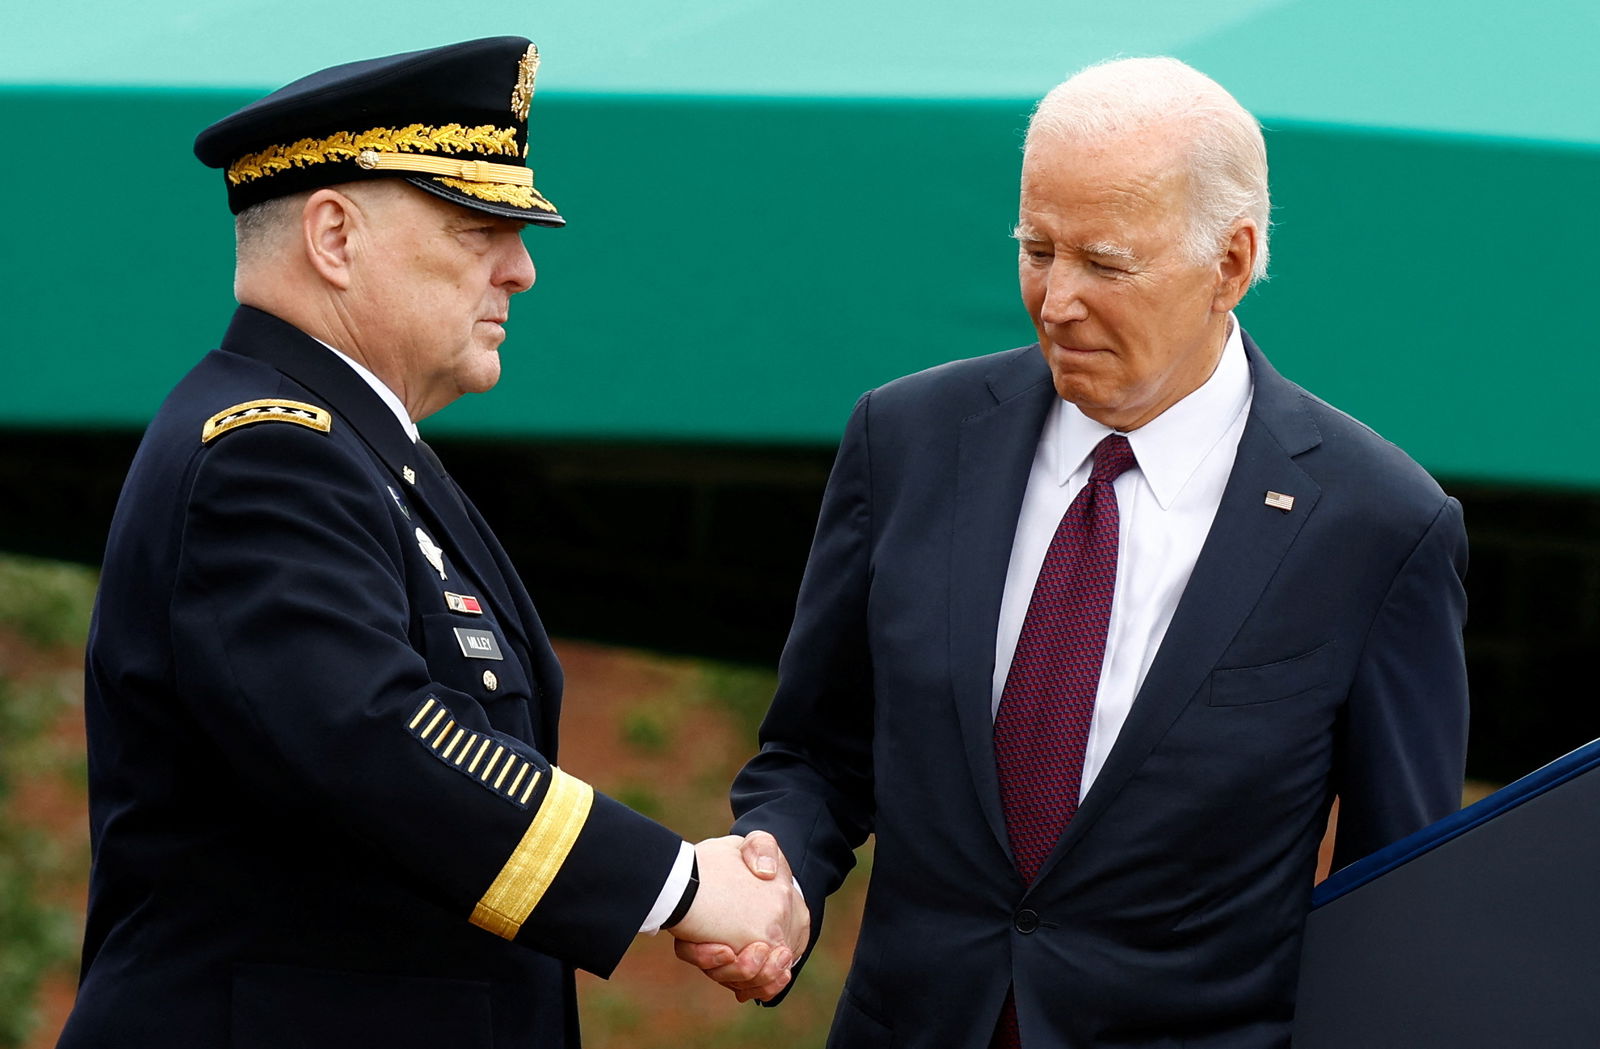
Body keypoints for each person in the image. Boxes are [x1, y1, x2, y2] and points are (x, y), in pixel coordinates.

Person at [677, 56, 1469, 1047]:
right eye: (1035, 247)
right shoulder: (908, 439)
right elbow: (817, 750)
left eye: (1103, 262)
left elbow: (1395, 900)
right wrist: (778, 866)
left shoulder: (1376, 524)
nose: (1054, 299)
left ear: (1229, 262)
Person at [58, 36, 803, 1049]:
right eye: (474, 225)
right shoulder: (268, 452)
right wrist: (677, 882)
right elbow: (375, 736)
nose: (523, 268)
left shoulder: (358, 450)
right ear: (333, 234)